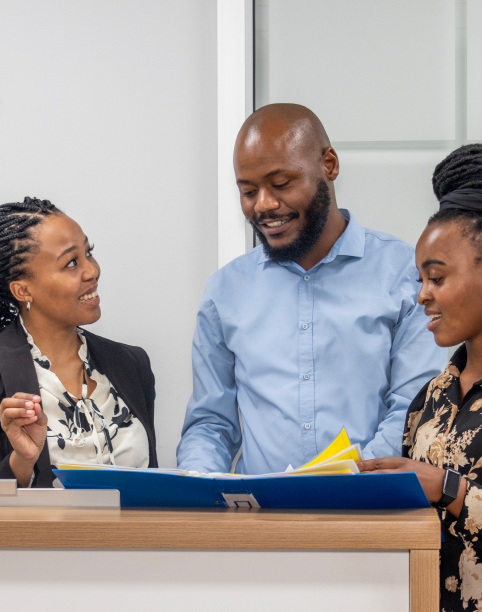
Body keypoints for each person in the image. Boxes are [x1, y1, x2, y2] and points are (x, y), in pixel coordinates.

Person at [177, 103, 445, 475]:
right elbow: (211, 424)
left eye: (281, 184)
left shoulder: (407, 275)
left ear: (329, 165)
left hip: (372, 503)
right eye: (249, 191)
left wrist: (345, 484)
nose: (264, 205)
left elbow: (413, 409)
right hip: (261, 510)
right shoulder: (225, 291)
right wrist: (202, 485)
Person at [358, 144, 482, 611]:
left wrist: (446, 486)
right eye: (420, 279)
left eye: (436, 278)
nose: (421, 296)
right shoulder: (429, 400)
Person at [0, 197, 157, 487]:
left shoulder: (131, 364)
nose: (92, 271)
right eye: (71, 262)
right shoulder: (4, 372)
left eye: (89, 253)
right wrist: (21, 461)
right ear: (23, 290)